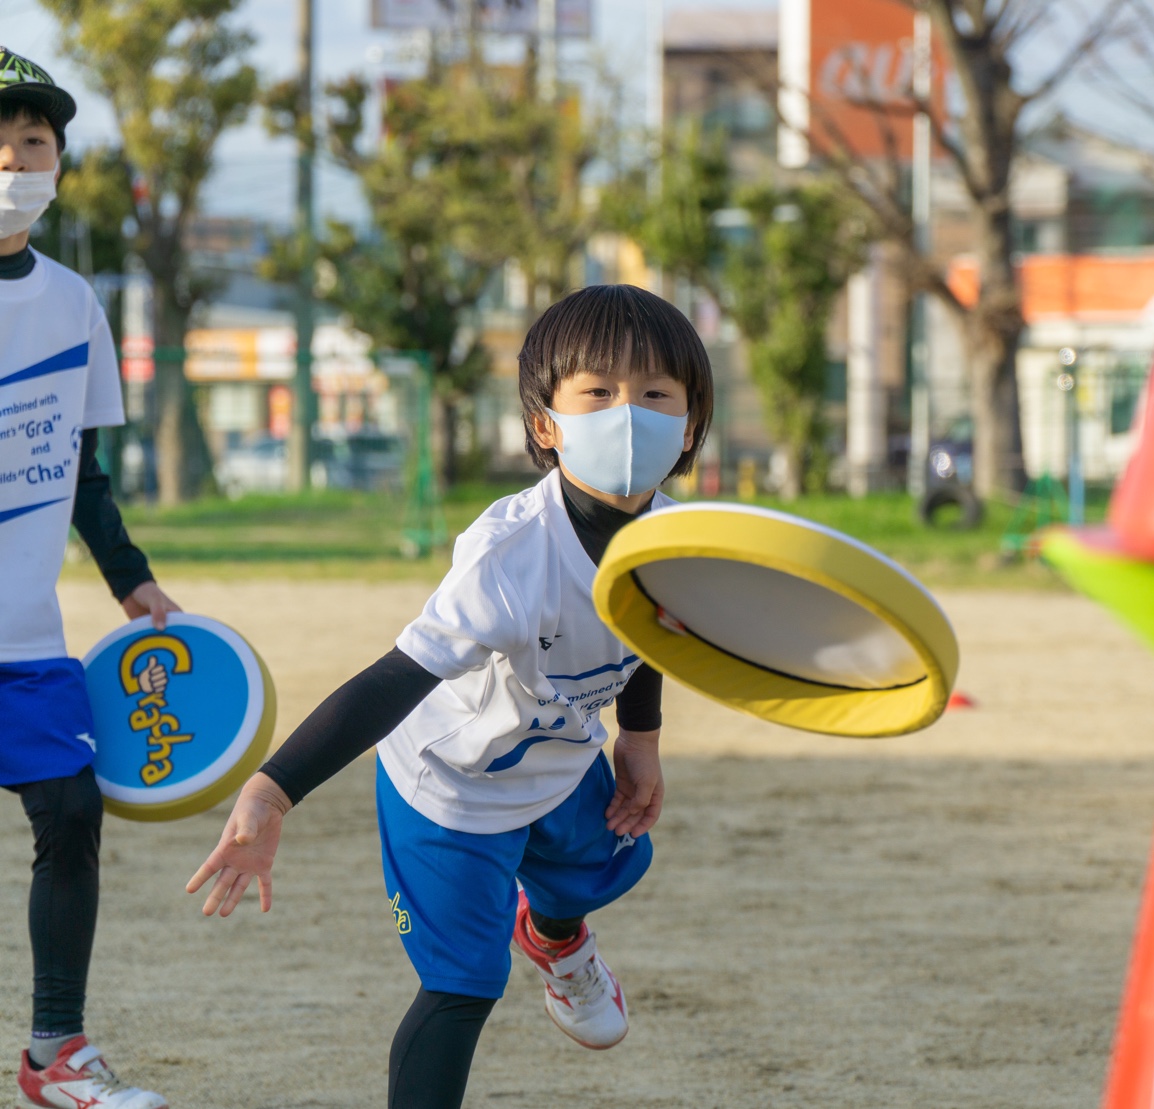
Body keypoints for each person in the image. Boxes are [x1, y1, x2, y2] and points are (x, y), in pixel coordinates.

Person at [188, 284, 713, 1109]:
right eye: (599, 392)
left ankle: (554, 935)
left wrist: (639, 740)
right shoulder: (509, 558)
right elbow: (393, 679)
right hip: (450, 784)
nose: (628, 414)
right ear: (546, 423)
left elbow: (651, 628)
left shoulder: (681, 541)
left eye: (654, 394)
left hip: (561, 758)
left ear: (688, 424)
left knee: (606, 866)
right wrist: (271, 791)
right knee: (464, 983)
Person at [0, 47, 182, 1109]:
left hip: (24, 633)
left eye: (31, 144)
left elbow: (80, 471)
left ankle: (55, 1049)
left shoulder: (73, 305)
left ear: (59, 164)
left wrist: (133, 581)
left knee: (70, 814)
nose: (12, 163)